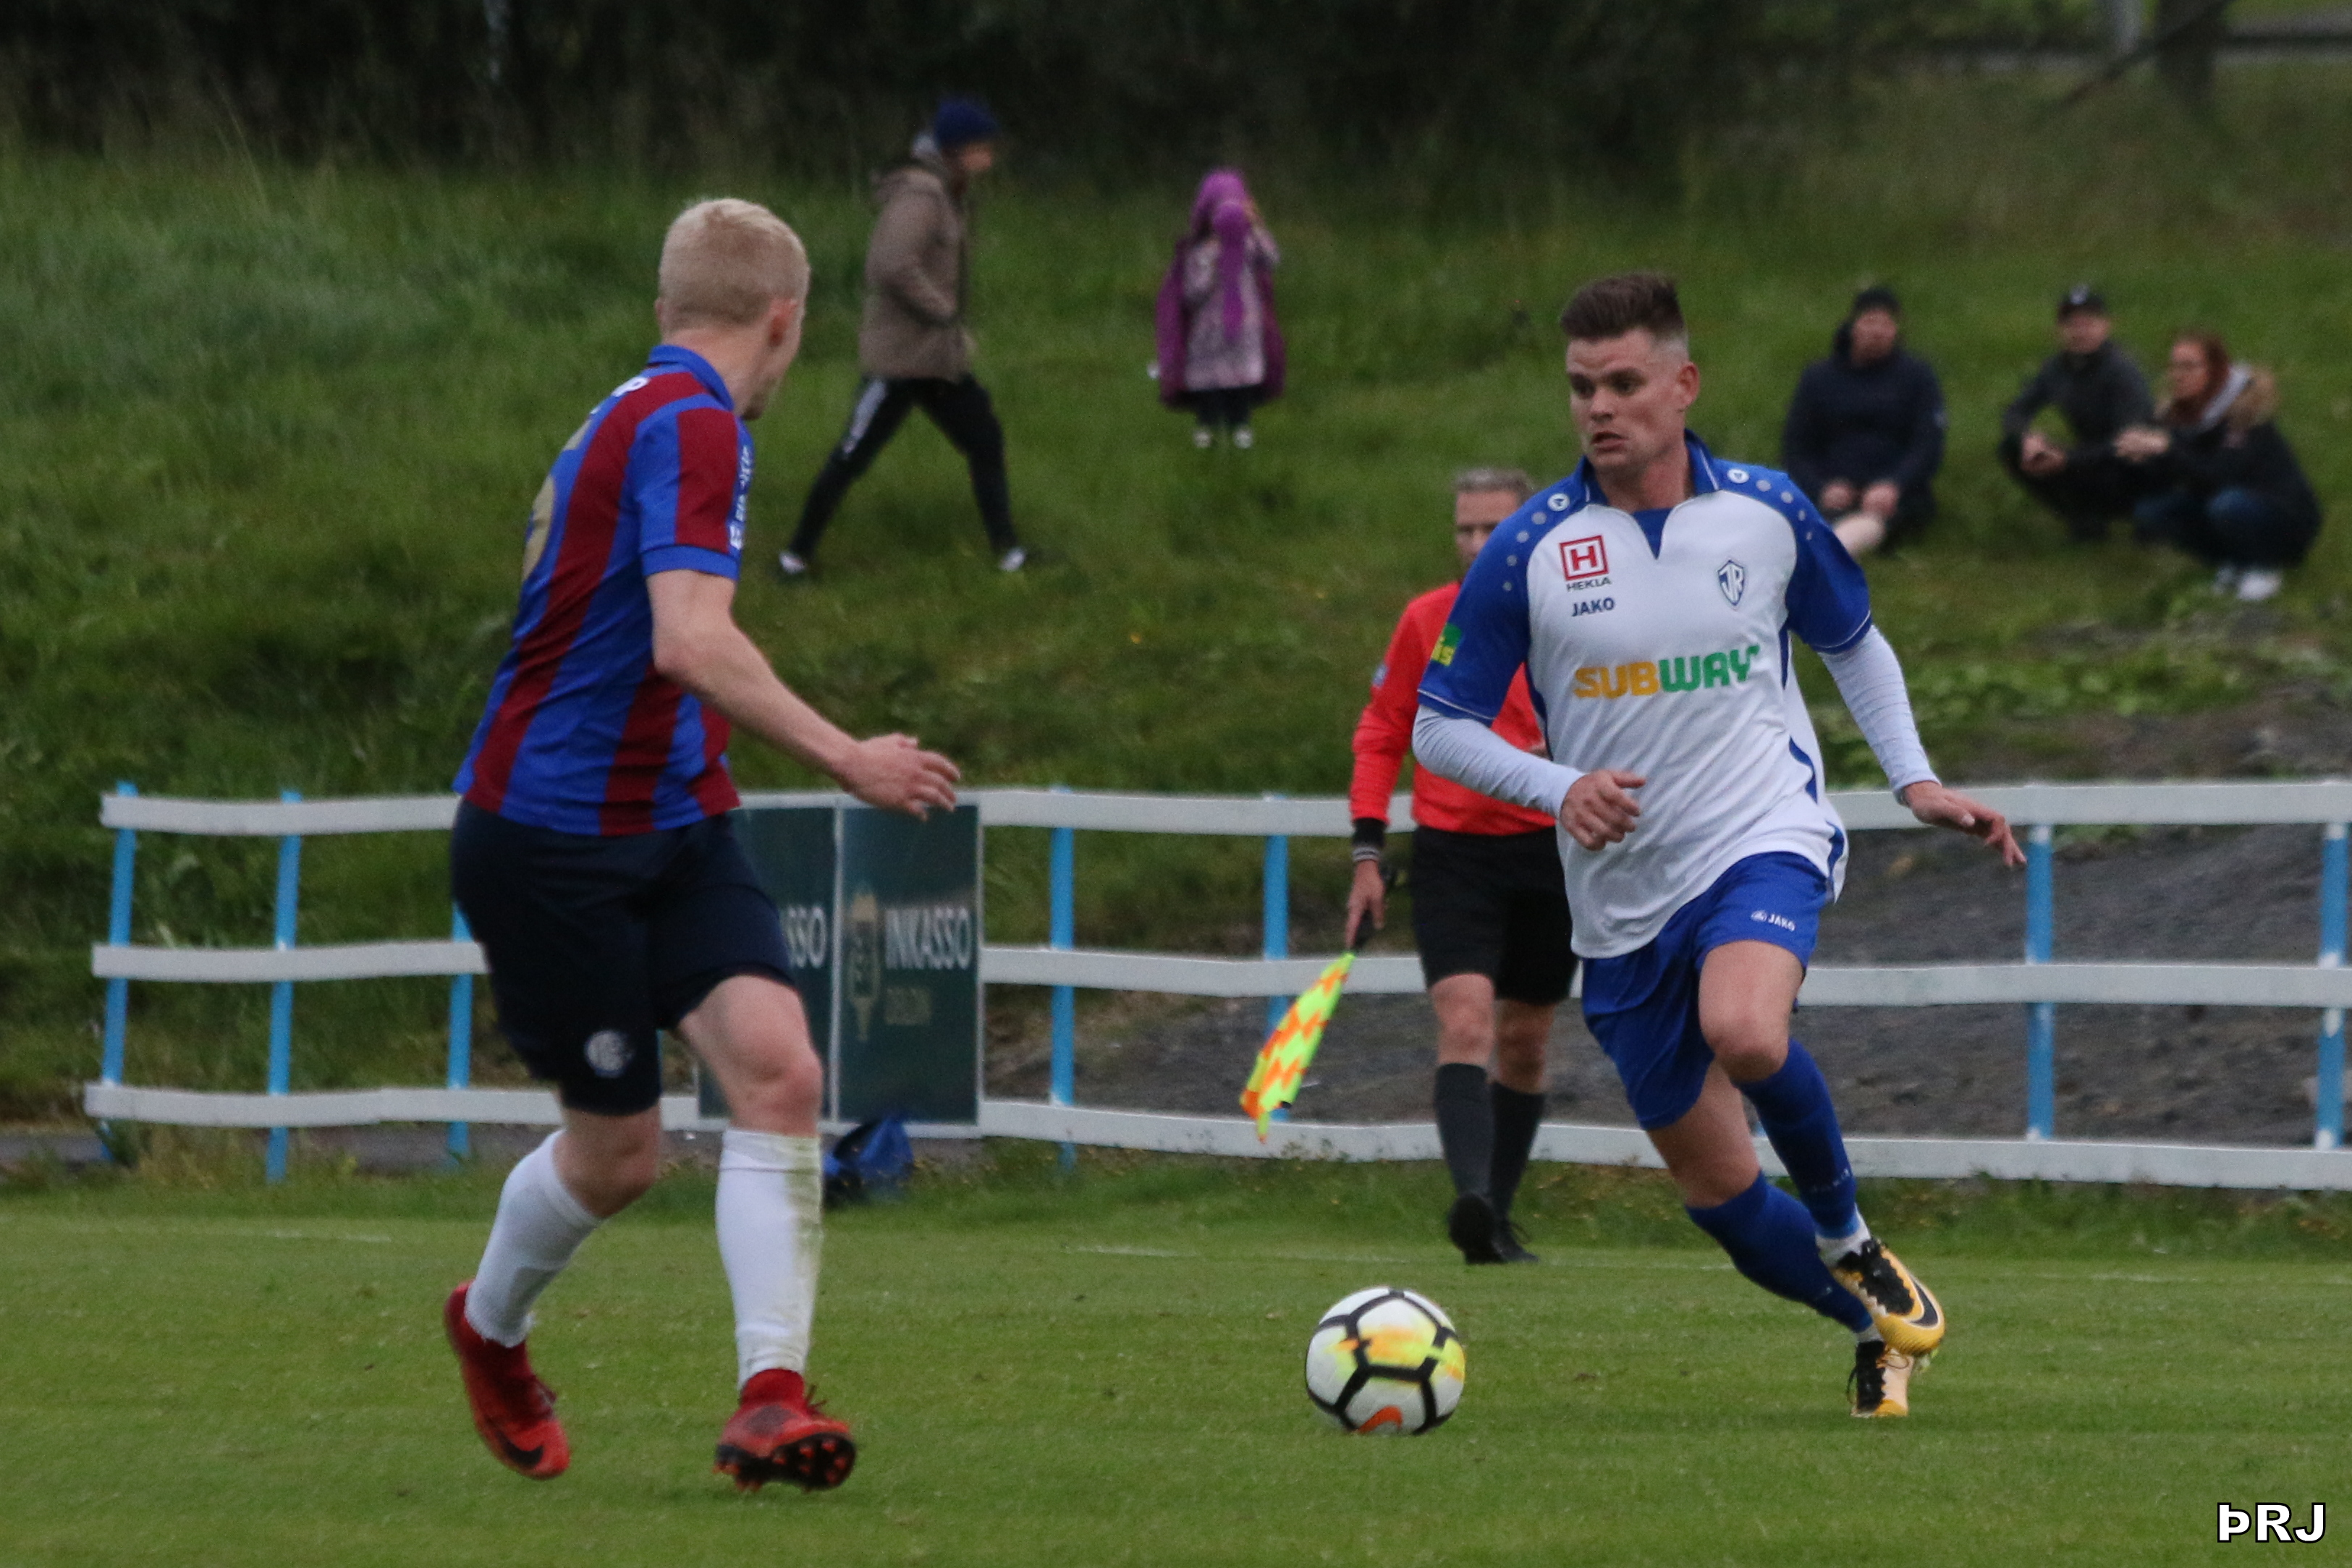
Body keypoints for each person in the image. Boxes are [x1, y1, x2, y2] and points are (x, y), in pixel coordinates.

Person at [1413, 272, 2023, 1418]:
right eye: (1582, 387)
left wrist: (1914, 778)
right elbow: (1438, 725)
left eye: (1623, 382)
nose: (1600, 407)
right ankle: (1873, 1327)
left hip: (1759, 832)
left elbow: (1853, 640)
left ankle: (1849, 1235)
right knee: (1723, 1197)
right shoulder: (1531, 545)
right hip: (1621, 902)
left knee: (1744, 1028)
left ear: (1682, 384)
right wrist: (1560, 786)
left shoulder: (1765, 511)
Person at [445, 198, 961, 1491]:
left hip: (673, 818)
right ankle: (489, 1328)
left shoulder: (640, 410)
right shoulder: (694, 423)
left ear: (666, 310)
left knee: (779, 1071)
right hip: (553, 838)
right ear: (785, 322)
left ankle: (770, 1397)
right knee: (618, 1158)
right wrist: (849, 756)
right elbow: (690, 638)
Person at [1347, 467, 1574, 1266]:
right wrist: (1367, 851)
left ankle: (1495, 1218)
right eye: (1465, 529)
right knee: (1467, 1022)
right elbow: (1383, 731)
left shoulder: (1575, 618)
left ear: (1528, 533)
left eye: (1493, 529)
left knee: (1526, 1040)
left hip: (1552, 851)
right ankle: (1471, 1197)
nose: (1477, 544)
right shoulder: (1426, 620)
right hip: (1454, 854)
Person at [781, 99, 1025, 577]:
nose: (991, 155)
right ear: (957, 149)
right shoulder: (921, 196)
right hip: (898, 362)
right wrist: (944, 312)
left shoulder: (948, 192)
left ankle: (1010, 554)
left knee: (985, 441)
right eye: (983, 146)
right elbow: (891, 265)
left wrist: (949, 331)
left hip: (938, 361)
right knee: (851, 456)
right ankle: (793, 560)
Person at [2117, 330, 2322, 603]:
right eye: (2175, 366)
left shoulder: (2245, 415)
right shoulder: (2180, 412)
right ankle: (2234, 561)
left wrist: (2167, 449)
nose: (2178, 375)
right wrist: (2143, 456)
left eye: (2189, 366)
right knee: (2153, 512)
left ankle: (2264, 566)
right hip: (2223, 504)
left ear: (2215, 370)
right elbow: (2182, 472)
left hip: (2283, 517)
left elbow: (2220, 474)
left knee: (2226, 504)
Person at [1780, 285, 1946, 557]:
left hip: (1891, 495)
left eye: (1885, 324)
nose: (1877, 332)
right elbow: (1796, 447)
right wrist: (1821, 488)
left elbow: (1927, 444)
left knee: (1874, 521)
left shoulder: (1918, 378)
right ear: (1853, 327)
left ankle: (1831, 553)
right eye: (1869, 322)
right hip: (1833, 489)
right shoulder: (1818, 379)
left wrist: (1894, 485)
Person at [1998, 284, 2156, 541]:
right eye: (2072, 324)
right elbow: (2016, 410)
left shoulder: (2123, 373)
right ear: (2059, 330)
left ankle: (2126, 514)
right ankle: (2082, 517)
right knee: (2012, 449)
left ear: (2107, 325)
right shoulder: (2056, 368)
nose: (2080, 332)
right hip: (2087, 456)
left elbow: (2128, 443)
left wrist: (2068, 459)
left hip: (2131, 468)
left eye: (2089, 323)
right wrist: (2027, 437)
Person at [1155, 169, 1284, 449]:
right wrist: (1212, 263)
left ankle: (1241, 427)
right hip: (1209, 335)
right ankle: (1206, 428)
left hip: (1244, 331)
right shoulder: (1201, 252)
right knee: (1210, 382)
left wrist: (1256, 225)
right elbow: (1192, 292)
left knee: (1241, 381)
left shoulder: (1249, 245)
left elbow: (1272, 259)